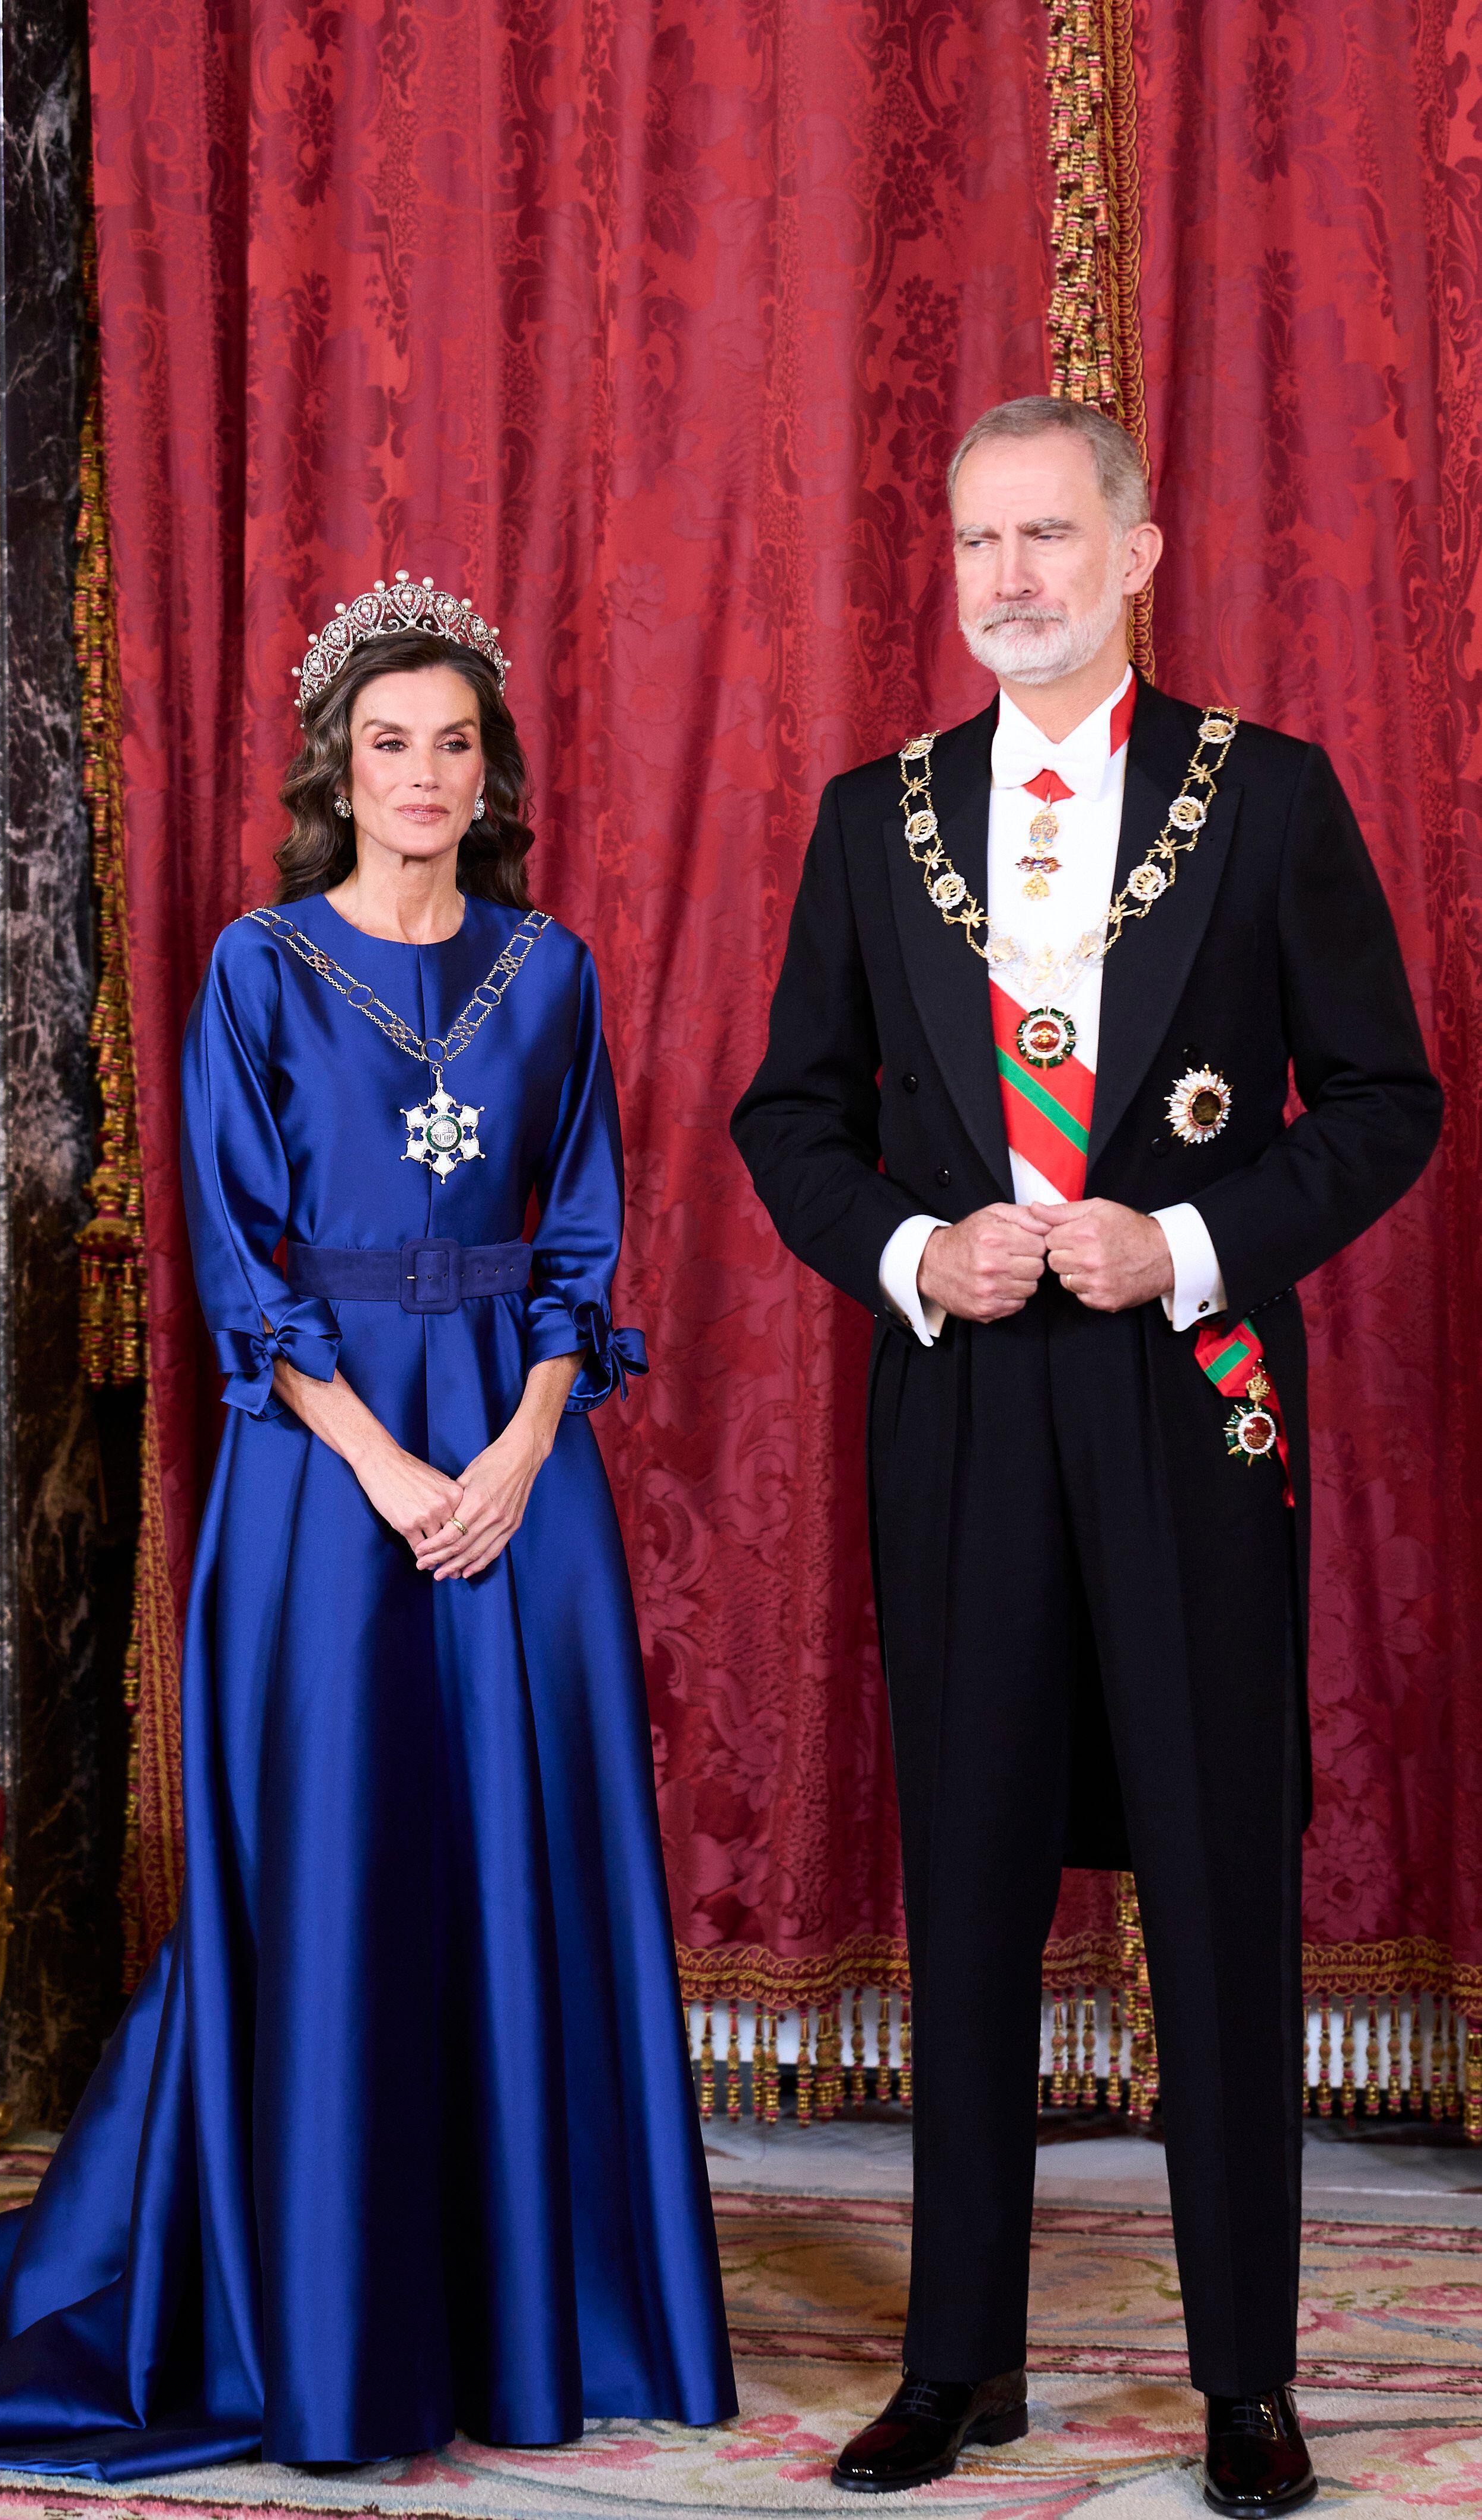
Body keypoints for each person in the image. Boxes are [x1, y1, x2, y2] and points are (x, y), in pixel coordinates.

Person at [0, 573, 736, 2476]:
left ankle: (530, 2314)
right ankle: (320, 2313)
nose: (422, 775)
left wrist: (522, 1445)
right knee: (333, 1864)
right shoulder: (258, 966)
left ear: (491, 774)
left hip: (522, 1480)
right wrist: (385, 1466)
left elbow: (580, 1235)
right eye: (389, 744)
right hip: (325, 1480)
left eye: (452, 744)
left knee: (518, 1855)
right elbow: (241, 1261)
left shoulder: (550, 970)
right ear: (339, 771)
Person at [732, 399, 1441, 2513]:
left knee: (1215, 1870)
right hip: (961, 1397)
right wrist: (910, 1249)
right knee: (964, 1871)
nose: (1008, 577)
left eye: (1047, 534)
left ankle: (1244, 2375)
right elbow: (789, 1116)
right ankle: (960, 2358)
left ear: (1135, 551)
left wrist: (1189, 1240)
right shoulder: (873, 817)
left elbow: (1385, 1101)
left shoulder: (1267, 796)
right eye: (978, 540)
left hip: (1185, 1394)